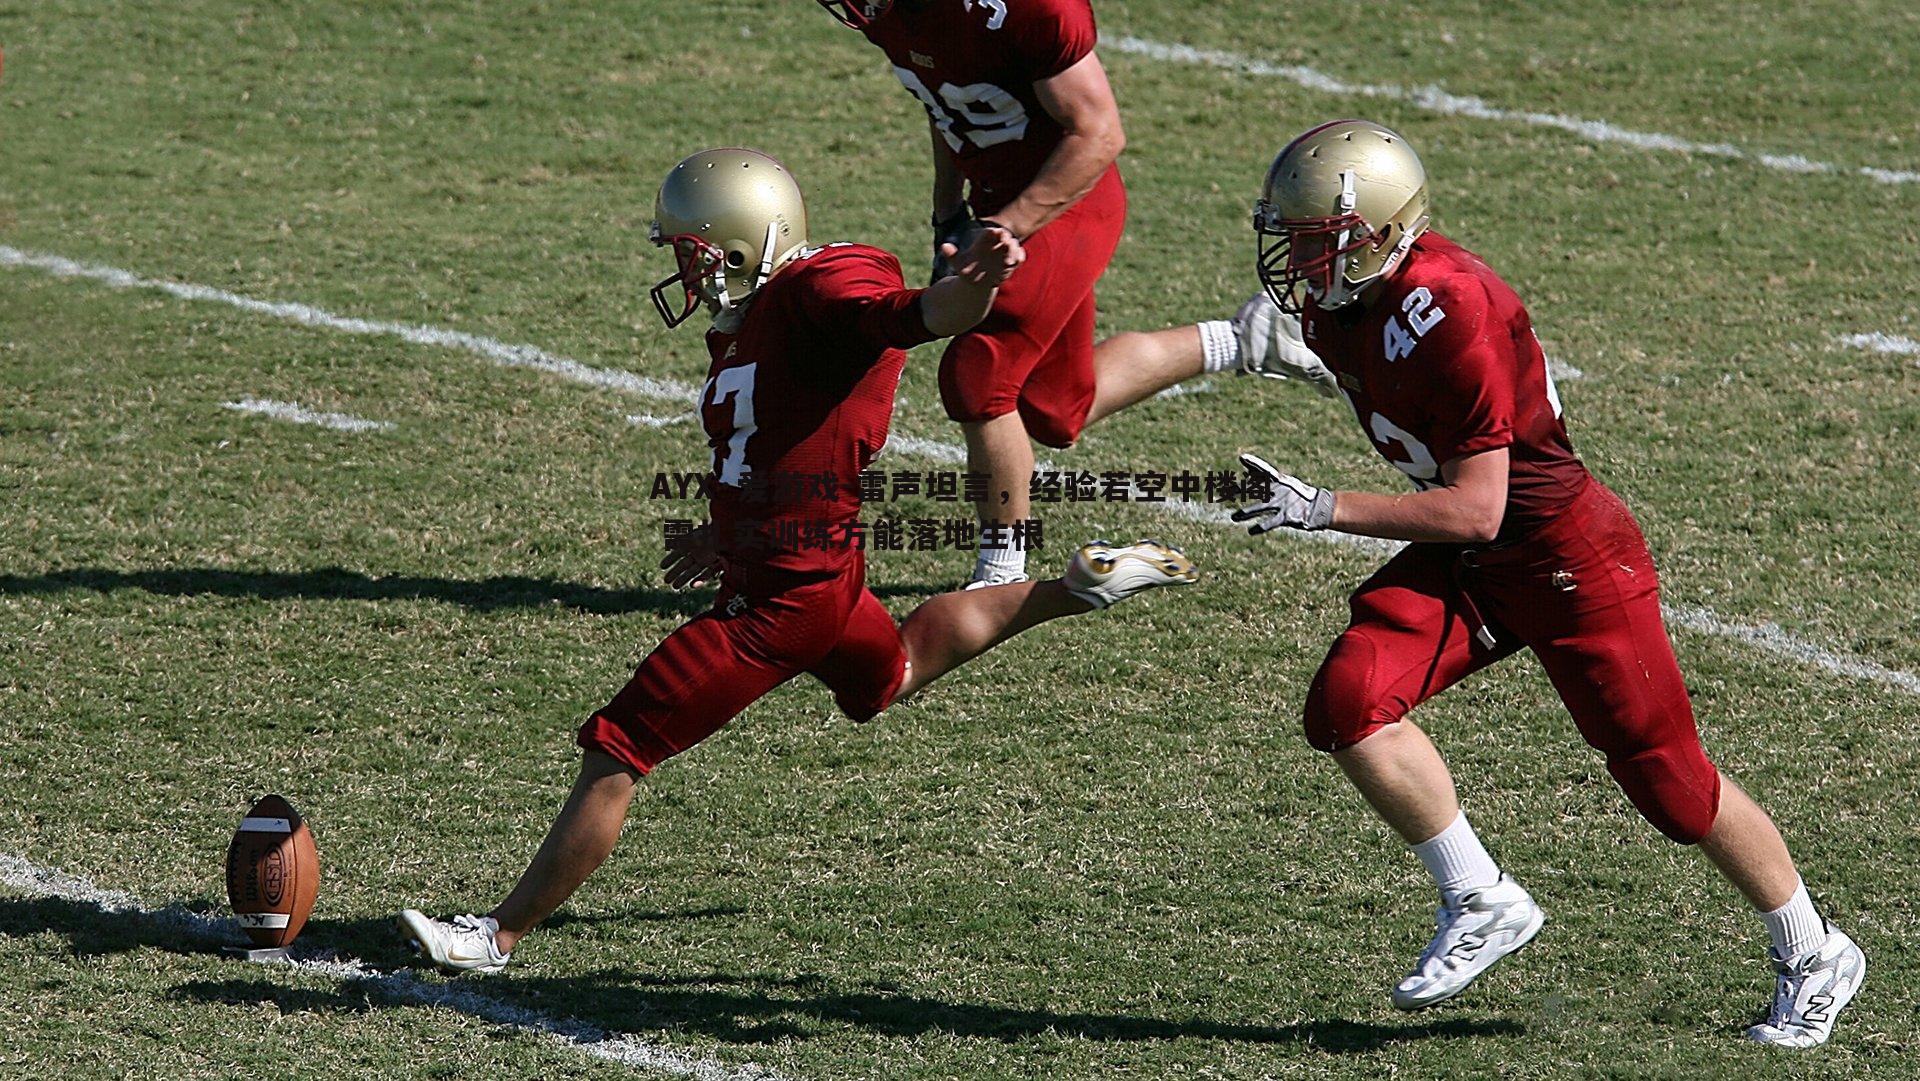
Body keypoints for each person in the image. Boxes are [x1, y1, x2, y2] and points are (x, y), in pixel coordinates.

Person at [398, 148, 1198, 972]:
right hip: (822, 574)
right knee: (891, 674)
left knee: (620, 744)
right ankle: (1076, 587)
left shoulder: (822, 289)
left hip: (776, 605)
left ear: (748, 244)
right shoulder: (764, 313)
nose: (684, 267)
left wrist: (973, 288)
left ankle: (494, 935)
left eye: (695, 251)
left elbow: (915, 314)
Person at [1231, 120, 1863, 1048]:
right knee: (1350, 698)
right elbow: (1268, 346)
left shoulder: (1454, 307)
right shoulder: (1340, 299)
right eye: (1292, 235)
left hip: (1561, 552)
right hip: (1483, 561)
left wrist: (1325, 507)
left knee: (1669, 783)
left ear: (1379, 232)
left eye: (1317, 238)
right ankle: (1480, 896)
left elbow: (1478, 508)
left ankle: (1814, 949)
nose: (1298, 258)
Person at [817, 0, 1326, 588]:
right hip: (998, 206)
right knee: (1058, 409)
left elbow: (1100, 132)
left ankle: (1002, 569)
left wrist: (1009, 224)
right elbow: (948, 106)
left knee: (977, 375)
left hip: (1068, 205)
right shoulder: (893, 15)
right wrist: (948, 210)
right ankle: (1249, 339)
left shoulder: (1025, 9)